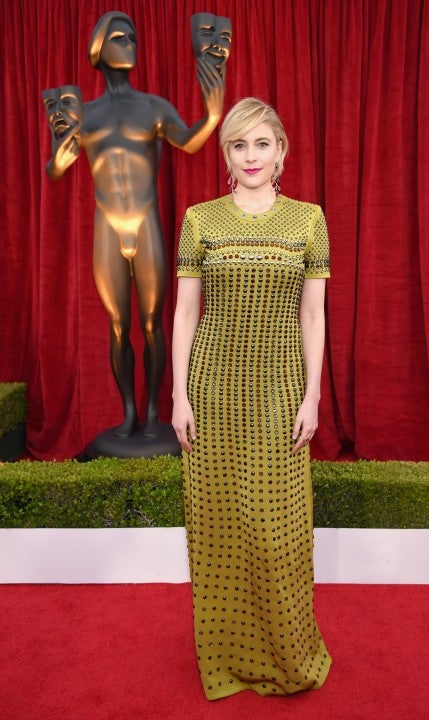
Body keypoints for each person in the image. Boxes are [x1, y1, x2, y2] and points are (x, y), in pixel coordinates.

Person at [172, 97, 332, 699]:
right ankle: (227, 661)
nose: (251, 156)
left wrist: (312, 396)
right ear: (227, 155)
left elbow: (312, 315)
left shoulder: (308, 220)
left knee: (276, 529)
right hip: (212, 389)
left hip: (280, 390)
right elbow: (185, 313)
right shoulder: (200, 220)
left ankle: (288, 653)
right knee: (218, 525)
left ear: (281, 151)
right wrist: (179, 395)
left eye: (262, 143)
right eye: (239, 145)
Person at [43, 11, 229, 439]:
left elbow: (189, 142)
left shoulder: (154, 107)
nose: (130, 43)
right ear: (98, 49)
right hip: (107, 227)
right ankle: (128, 410)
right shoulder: (84, 114)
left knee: (152, 323)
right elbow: (54, 169)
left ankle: (152, 411)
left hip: (146, 225)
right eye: (119, 37)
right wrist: (58, 162)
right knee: (118, 326)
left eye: (132, 38)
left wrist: (213, 115)